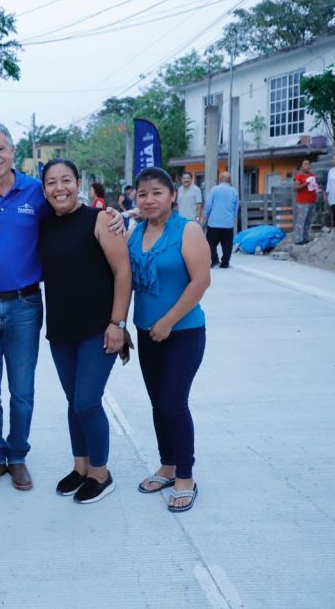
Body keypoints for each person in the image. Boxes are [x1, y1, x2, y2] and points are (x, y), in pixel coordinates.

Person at [0, 122, 125, 492]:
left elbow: (75, 215)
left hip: (25, 304)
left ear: (13, 151)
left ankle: (17, 456)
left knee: (22, 389)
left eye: (0, 148)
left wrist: (113, 214)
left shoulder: (37, 192)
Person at [39, 159, 132, 504]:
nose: (59, 188)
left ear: (79, 183)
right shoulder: (44, 225)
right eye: (51, 182)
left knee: (87, 402)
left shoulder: (102, 220)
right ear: (44, 189)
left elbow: (123, 273)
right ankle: (80, 468)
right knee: (72, 401)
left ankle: (100, 473)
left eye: (66, 180)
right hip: (62, 329)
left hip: (99, 328)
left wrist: (118, 324)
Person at [129, 167, 211, 513]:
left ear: (173, 195)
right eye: (142, 193)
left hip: (183, 332)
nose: (149, 199)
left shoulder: (187, 230)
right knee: (157, 403)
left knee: (173, 404)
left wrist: (167, 321)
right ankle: (167, 465)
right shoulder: (135, 232)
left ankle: (186, 477)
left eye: (157, 192)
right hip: (147, 333)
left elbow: (201, 281)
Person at [202, 172, 239, 268]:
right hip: (227, 223)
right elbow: (236, 207)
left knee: (211, 242)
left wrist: (205, 214)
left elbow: (208, 203)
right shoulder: (234, 191)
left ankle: (214, 260)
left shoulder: (214, 190)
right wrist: (233, 218)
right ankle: (225, 263)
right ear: (230, 181)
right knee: (227, 245)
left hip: (214, 222)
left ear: (220, 179)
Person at [293, 160, 318, 244]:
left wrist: (317, 190)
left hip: (311, 201)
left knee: (308, 221)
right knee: (301, 221)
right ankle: (298, 239)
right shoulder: (299, 176)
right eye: (305, 164)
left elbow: (314, 186)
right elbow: (296, 188)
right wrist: (305, 184)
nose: (307, 166)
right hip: (302, 202)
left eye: (308, 164)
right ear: (301, 166)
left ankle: (305, 238)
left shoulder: (312, 175)